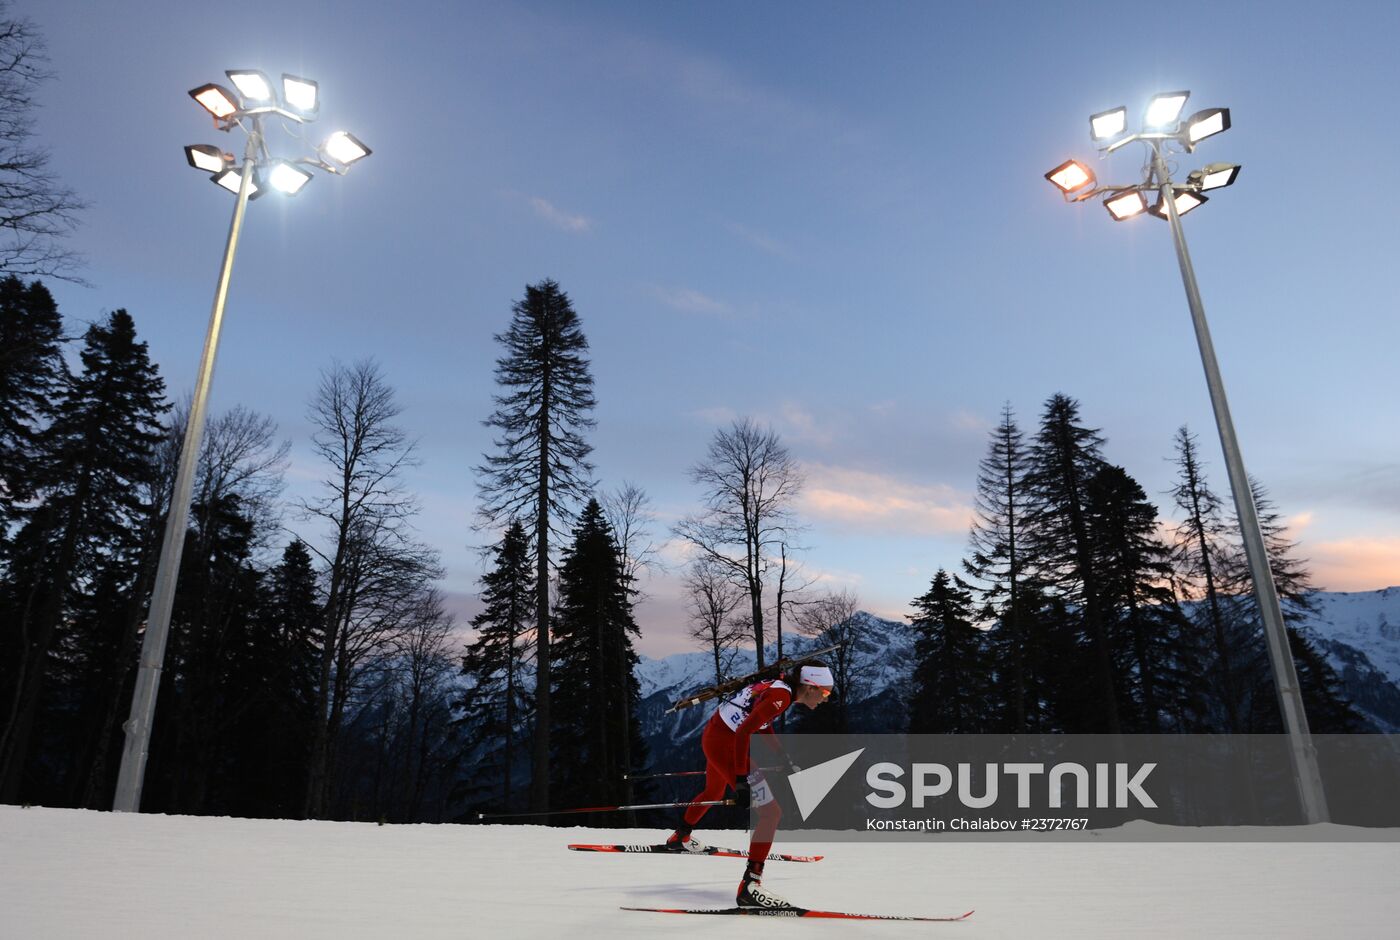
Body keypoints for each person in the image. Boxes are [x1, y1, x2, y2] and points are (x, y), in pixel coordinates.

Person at [664, 660, 834, 908]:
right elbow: (745, 732)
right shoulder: (781, 696)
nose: (826, 699)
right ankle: (750, 886)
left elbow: (760, 723)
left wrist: (781, 757)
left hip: (715, 735)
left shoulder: (779, 690)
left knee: (714, 790)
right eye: (825, 692)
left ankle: (681, 836)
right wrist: (742, 780)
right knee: (771, 813)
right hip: (726, 744)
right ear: (810, 687)